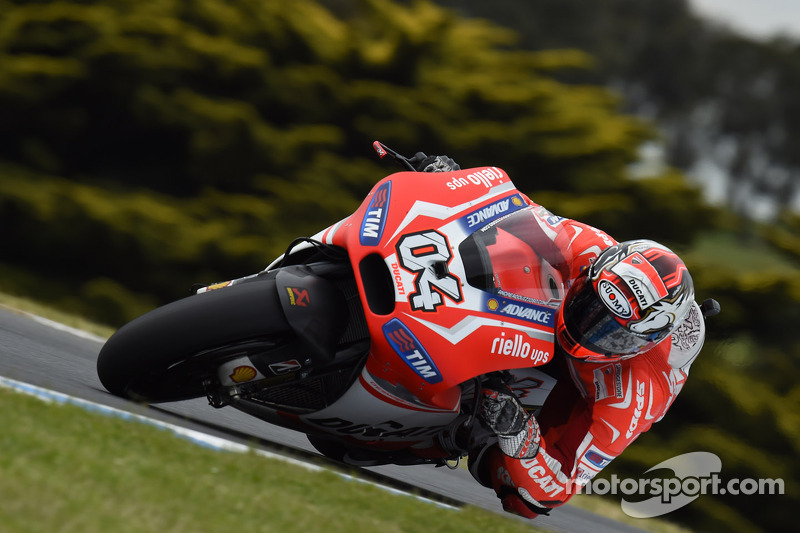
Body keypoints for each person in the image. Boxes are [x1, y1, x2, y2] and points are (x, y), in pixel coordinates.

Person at [414, 154, 714, 518]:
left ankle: (465, 431)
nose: (590, 327)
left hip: (589, 382)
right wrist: (453, 182)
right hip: (556, 307)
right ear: (595, 272)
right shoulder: (591, 247)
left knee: (522, 497)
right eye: (592, 304)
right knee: (513, 247)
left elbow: (555, 489)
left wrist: (518, 435)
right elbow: (516, 210)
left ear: (643, 343)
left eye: (612, 332)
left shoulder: (636, 393)